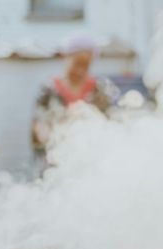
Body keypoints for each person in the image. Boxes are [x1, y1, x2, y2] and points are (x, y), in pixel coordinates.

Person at [31, 33, 118, 164]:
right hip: (56, 161)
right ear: (65, 57)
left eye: (86, 65)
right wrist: (53, 135)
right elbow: (39, 126)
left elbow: (109, 123)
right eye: (77, 64)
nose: (80, 70)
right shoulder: (49, 90)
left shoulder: (99, 90)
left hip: (91, 159)